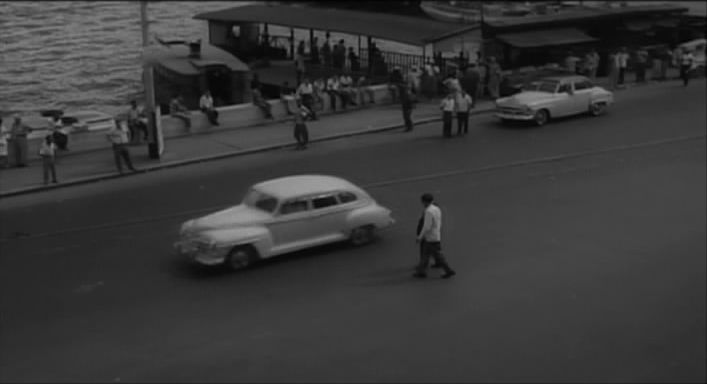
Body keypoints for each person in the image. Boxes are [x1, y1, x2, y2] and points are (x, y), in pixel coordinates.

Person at [413, 193, 456, 279]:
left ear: (425, 202)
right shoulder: (437, 209)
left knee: (436, 256)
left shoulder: (428, 211)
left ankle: (448, 270)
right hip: (436, 235)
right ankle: (421, 271)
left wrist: (420, 237)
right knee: (426, 255)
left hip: (430, 238)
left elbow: (427, 226)